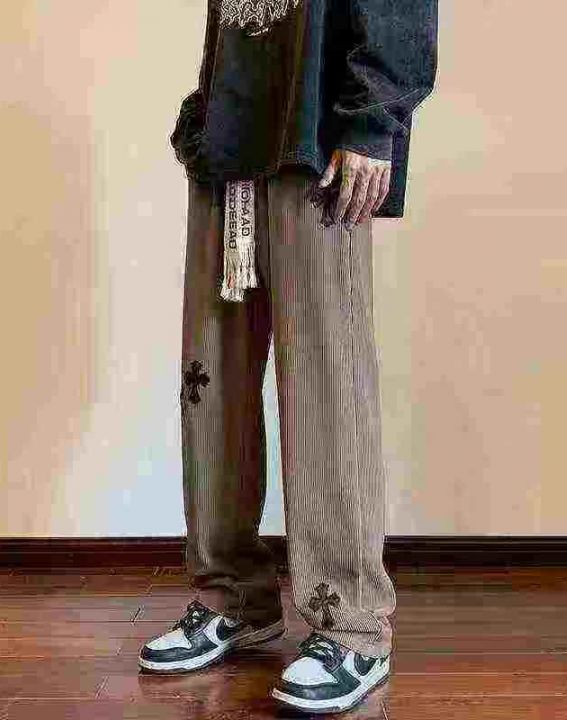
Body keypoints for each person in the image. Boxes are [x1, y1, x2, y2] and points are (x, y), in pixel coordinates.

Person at [138, 0, 438, 713]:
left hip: (321, 139)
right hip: (229, 145)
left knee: (325, 380)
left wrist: (374, 121)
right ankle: (233, 594)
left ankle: (351, 623)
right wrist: (204, 116)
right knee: (211, 380)